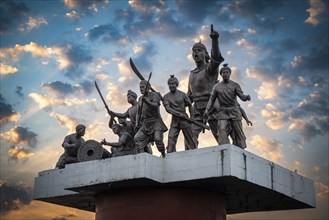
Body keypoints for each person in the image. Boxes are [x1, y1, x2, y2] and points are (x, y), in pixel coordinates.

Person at [187, 24, 224, 146]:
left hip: (212, 106)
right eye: (194, 51)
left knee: (220, 135)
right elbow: (189, 96)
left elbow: (216, 57)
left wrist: (215, 40)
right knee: (190, 135)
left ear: (205, 54)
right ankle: (189, 160)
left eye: (199, 50)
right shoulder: (192, 74)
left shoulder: (210, 69)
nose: (195, 52)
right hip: (197, 110)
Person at [205, 64, 251, 149]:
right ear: (221, 74)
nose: (225, 74)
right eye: (223, 72)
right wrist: (207, 110)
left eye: (227, 72)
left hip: (234, 109)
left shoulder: (235, 85)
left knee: (238, 131)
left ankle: (241, 147)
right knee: (222, 129)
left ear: (230, 73)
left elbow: (242, 96)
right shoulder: (217, 86)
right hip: (223, 111)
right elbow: (211, 100)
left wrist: (246, 97)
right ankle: (224, 147)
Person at [163, 75, 197, 153]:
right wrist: (177, 113)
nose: (171, 85)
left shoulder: (182, 94)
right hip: (175, 121)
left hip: (185, 120)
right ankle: (170, 153)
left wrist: (192, 117)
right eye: (169, 84)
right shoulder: (166, 97)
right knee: (171, 137)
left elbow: (189, 105)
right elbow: (168, 109)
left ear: (176, 84)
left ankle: (195, 152)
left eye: (173, 84)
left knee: (190, 138)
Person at [134, 80, 167, 157]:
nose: (141, 89)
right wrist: (137, 123)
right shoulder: (140, 99)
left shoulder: (155, 95)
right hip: (146, 123)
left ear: (148, 87)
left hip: (156, 121)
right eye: (140, 87)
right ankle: (142, 156)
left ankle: (163, 153)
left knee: (158, 139)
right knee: (137, 138)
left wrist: (147, 101)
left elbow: (156, 105)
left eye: (142, 87)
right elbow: (138, 112)